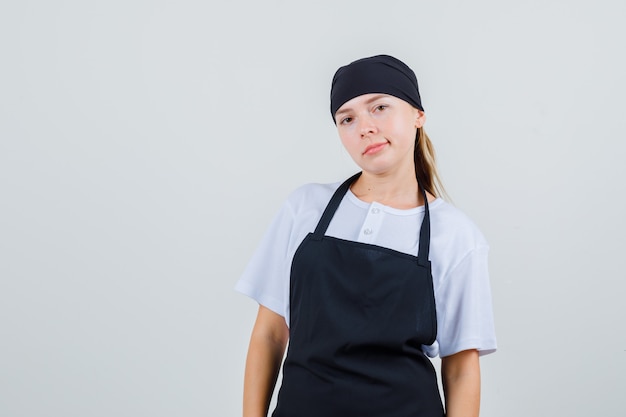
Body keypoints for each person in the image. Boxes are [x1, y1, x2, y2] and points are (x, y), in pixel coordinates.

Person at [235, 55, 497, 417]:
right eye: (347, 118)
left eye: (380, 107)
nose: (365, 127)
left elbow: (461, 368)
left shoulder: (455, 234)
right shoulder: (305, 208)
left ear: (418, 115)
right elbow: (269, 334)